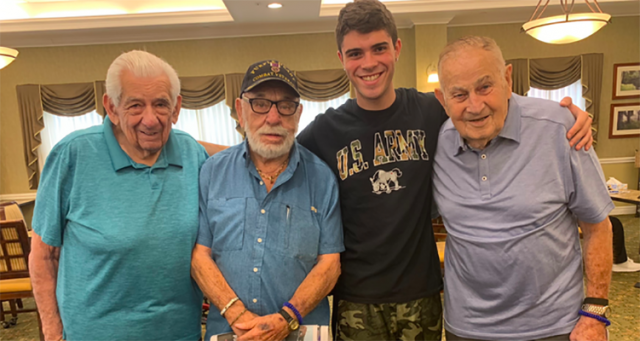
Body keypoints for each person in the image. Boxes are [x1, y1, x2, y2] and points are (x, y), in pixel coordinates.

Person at [296, 1, 595, 340]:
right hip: (356, 298)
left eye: (378, 48)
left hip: (422, 292)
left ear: (396, 48)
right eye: (355, 53)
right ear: (341, 59)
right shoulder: (324, 131)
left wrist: (567, 115)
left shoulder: (431, 110)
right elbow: (269, 155)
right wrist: (222, 155)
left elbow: (492, 104)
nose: (368, 63)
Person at [433, 36, 614, 341]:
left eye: (485, 87)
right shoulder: (437, 142)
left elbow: (598, 226)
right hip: (466, 329)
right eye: (460, 94)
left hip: (555, 327)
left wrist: (595, 312)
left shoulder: (561, 128)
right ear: (442, 99)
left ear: (507, 78)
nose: (475, 106)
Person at [29, 50, 207, 341]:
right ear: (111, 107)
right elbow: (42, 256)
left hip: (179, 333)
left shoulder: (192, 154)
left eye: (160, 105)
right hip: (94, 334)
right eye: (135, 105)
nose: (150, 120)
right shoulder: (73, 154)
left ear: (176, 108)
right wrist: (52, 333)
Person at [191, 60, 344, 341]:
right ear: (240, 110)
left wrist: (287, 318)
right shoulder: (212, 173)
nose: (273, 118)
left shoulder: (323, 179)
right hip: (229, 331)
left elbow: (330, 264)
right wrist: (239, 315)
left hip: (302, 331)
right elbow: (200, 256)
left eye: (285, 106)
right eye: (260, 103)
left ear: (298, 114)